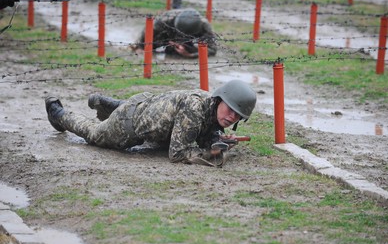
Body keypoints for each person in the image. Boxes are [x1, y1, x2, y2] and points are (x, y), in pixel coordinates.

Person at [44, 80, 257, 166]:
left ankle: (105, 103)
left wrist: (217, 139)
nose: (231, 117)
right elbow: (178, 153)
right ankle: (58, 113)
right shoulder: (194, 109)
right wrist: (214, 154)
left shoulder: (208, 104)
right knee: (93, 134)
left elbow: (202, 130)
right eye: (230, 109)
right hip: (129, 123)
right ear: (219, 100)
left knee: (130, 111)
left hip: (147, 104)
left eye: (237, 116)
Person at [131, 8, 217, 58]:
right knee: (150, 46)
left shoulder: (204, 25)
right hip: (168, 34)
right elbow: (148, 31)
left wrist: (190, 54)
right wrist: (141, 46)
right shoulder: (164, 20)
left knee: (193, 47)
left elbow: (213, 49)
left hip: (189, 41)